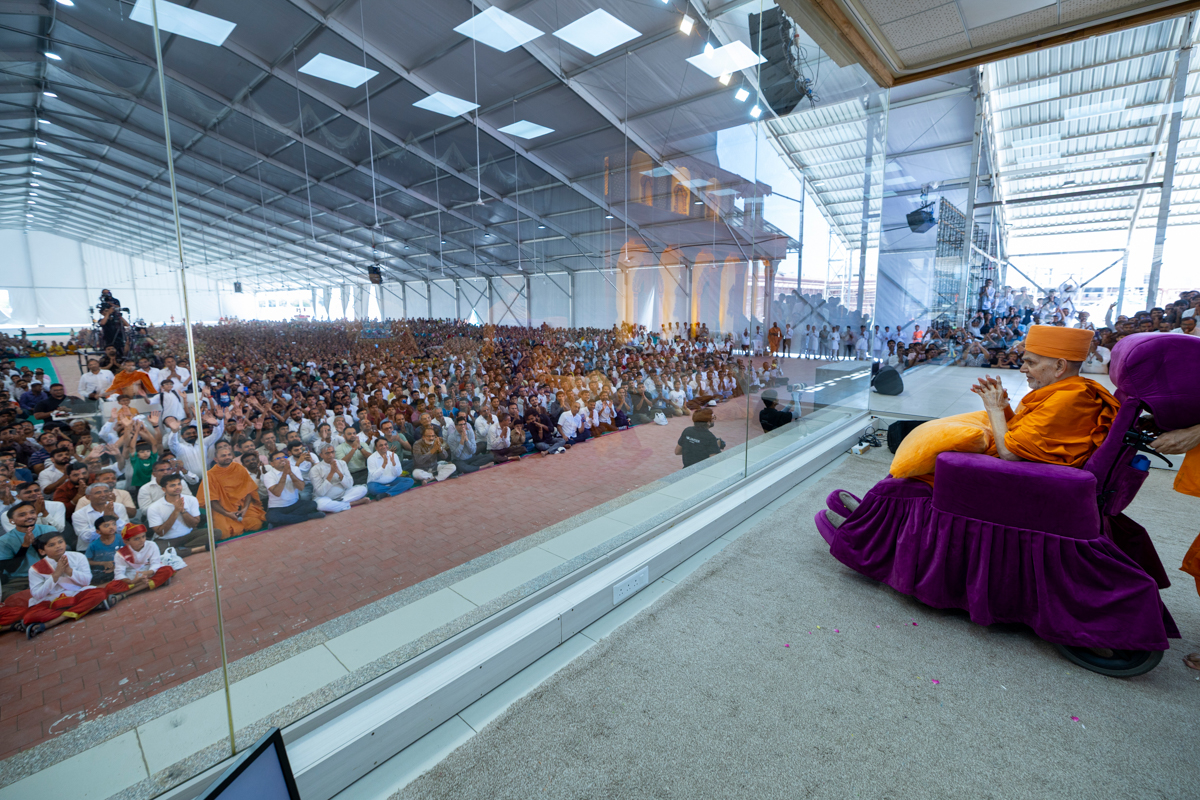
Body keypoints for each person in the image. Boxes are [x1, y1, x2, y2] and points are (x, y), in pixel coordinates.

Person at [21, 531, 113, 640]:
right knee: (30, 616)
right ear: (42, 551)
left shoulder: (78, 557)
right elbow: (37, 594)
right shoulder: (35, 569)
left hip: (76, 594)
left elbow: (87, 581)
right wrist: (56, 575)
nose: (58, 546)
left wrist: (69, 571)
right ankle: (86, 608)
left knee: (99, 593)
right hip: (51, 600)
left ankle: (55, 621)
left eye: (60, 542)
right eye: (52, 545)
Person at [203, 441, 266, 539]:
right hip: (222, 510)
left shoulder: (239, 468)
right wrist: (227, 513)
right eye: (223, 456)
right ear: (216, 459)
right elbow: (211, 500)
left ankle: (239, 523)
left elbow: (249, 491)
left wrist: (245, 509)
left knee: (256, 524)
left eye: (229, 455)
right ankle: (233, 524)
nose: (227, 457)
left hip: (242, 506)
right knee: (224, 533)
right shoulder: (209, 475)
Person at [104, 523, 174, 602]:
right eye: (137, 539)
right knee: (110, 587)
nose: (142, 540)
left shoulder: (151, 545)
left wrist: (148, 573)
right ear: (126, 541)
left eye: (143, 536)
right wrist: (133, 581)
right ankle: (155, 582)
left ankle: (125, 594)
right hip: (131, 575)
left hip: (148, 571)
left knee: (167, 570)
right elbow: (119, 574)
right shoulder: (120, 554)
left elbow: (155, 563)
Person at [0, 502, 54, 598]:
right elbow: (10, 568)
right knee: (4, 593)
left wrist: (35, 544)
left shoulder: (49, 530)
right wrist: (24, 546)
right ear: (12, 521)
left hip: (48, 574)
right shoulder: (4, 540)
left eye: (32, 512)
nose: (29, 516)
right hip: (21, 579)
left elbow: (57, 557)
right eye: (22, 515)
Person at [147, 473, 208, 556]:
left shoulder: (191, 500)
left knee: (215, 533)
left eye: (179, 484)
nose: (177, 487)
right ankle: (193, 549)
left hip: (188, 535)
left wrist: (183, 511)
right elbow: (161, 532)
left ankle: (180, 550)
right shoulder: (154, 507)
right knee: (156, 551)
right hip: (166, 540)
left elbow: (194, 524)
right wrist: (175, 512)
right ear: (164, 489)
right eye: (172, 485)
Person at [263, 450, 325, 526]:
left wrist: (291, 473)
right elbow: (277, 493)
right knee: (272, 517)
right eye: (278, 458)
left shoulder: (295, 469)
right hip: (277, 507)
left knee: (312, 504)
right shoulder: (268, 475)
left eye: (284, 457)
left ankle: (282, 521)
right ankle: (307, 516)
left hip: (294, 503)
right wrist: (284, 474)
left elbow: (301, 487)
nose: (282, 459)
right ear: (272, 464)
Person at [311, 442, 371, 511]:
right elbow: (320, 492)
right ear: (321, 455)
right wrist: (331, 473)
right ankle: (353, 503)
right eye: (327, 453)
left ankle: (337, 504)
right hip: (325, 497)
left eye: (332, 452)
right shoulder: (315, 469)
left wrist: (339, 473)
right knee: (320, 505)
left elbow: (349, 485)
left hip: (343, 495)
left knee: (362, 489)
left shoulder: (342, 463)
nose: (331, 455)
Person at [71, 483, 129, 552]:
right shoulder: (79, 514)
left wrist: (117, 519)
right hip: (90, 550)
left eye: (106, 491)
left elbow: (126, 532)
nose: (103, 495)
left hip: (118, 547)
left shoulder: (118, 507)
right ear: (88, 497)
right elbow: (86, 538)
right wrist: (104, 519)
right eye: (98, 492)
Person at [83, 514, 123, 584]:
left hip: (121, 567)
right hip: (101, 571)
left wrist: (117, 567)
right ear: (98, 531)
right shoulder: (93, 545)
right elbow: (87, 561)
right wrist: (103, 563)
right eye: (106, 526)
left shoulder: (122, 539)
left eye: (114, 524)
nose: (111, 527)